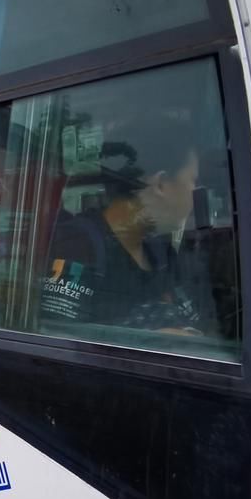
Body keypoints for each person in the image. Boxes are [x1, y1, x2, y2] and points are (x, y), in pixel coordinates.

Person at [38, 115, 212, 338]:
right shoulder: (79, 245)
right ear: (160, 184)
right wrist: (150, 343)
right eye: (193, 181)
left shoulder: (159, 251)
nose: (194, 195)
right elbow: (58, 343)